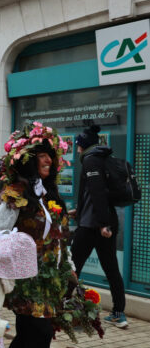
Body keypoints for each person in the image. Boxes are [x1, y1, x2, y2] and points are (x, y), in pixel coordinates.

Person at [0, 122, 76, 348]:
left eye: (50, 156)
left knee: (29, 333)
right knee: (41, 331)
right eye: (42, 156)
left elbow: (59, 238)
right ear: (29, 161)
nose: (48, 161)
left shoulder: (51, 195)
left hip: (49, 278)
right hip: (25, 277)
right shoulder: (17, 194)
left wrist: (69, 267)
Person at [70, 125, 128, 329]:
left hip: (92, 225)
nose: (77, 148)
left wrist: (103, 224)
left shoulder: (90, 160)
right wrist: (79, 210)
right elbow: (95, 194)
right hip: (103, 221)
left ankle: (62, 308)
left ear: (83, 145)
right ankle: (119, 313)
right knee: (111, 269)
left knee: (72, 267)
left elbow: (97, 193)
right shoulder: (104, 158)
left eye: (78, 145)